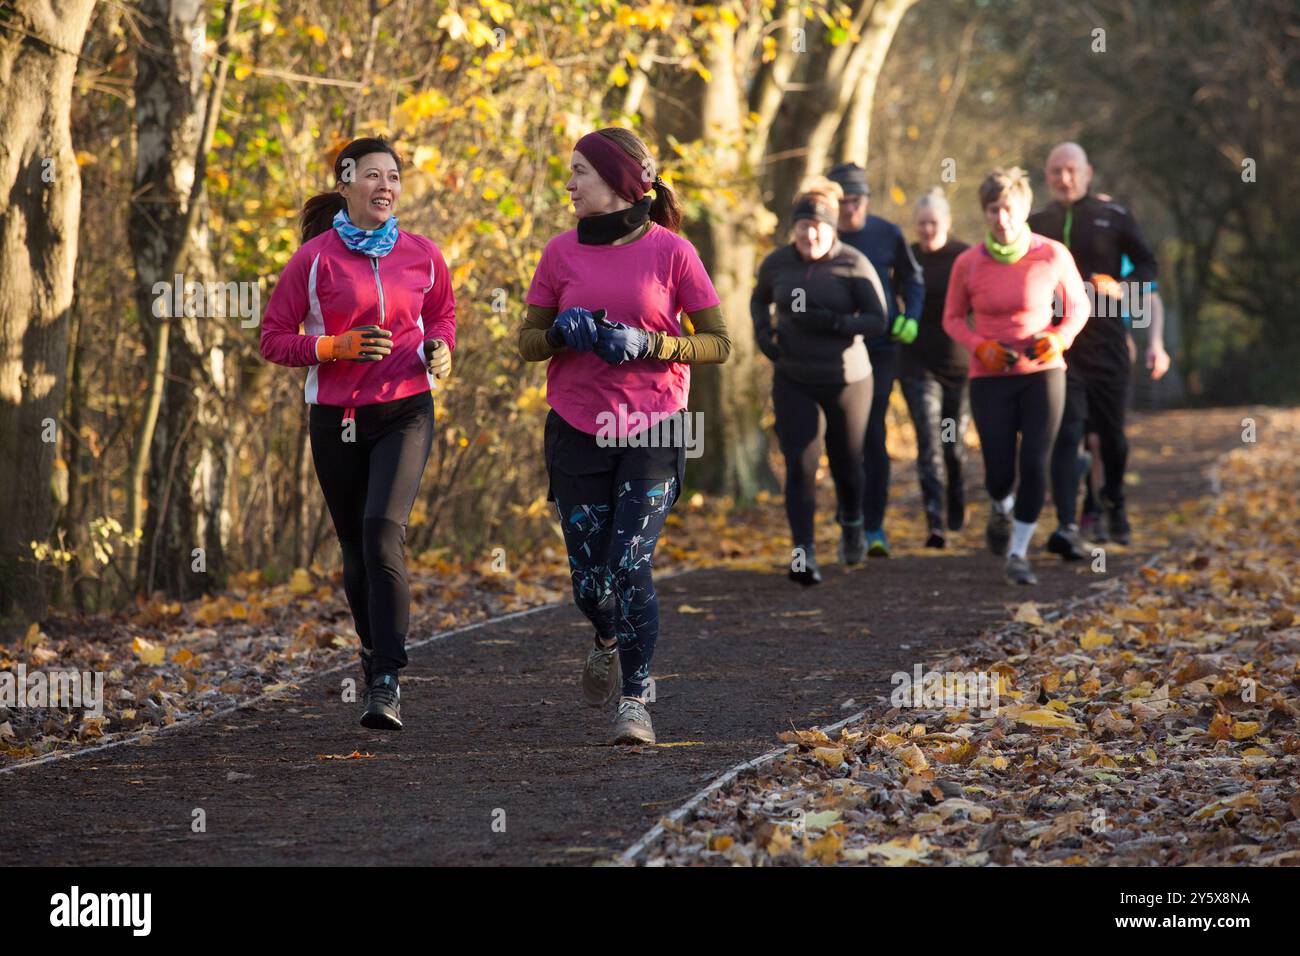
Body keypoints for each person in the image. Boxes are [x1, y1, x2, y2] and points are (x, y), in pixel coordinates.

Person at [517, 127, 729, 745]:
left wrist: (651, 343)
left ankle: (635, 699)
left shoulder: (673, 252)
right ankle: (606, 639)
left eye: (580, 171)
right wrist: (561, 333)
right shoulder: (559, 253)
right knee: (590, 582)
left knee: (628, 561)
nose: (569, 183)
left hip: (656, 424)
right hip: (578, 426)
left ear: (616, 182)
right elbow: (527, 344)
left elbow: (719, 343)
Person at [260, 137, 456, 730]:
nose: (385, 186)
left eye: (393, 176)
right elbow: (272, 338)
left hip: (406, 409)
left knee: (381, 532)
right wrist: (333, 347)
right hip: (337, 417)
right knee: (353, 548)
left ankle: (388, 678)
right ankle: (371, 654)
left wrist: (441, 349)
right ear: (345, 185)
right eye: (372, 175)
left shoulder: (423, 254)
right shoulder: (313, 259)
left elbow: (441, 314)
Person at [942, 167, 1089, 585]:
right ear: (984, 213)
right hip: (989, 377)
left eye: (1008, 208)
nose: (1001, 218)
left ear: (1023, 208)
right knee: (999, 468)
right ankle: (1000, 507)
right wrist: (979, 347)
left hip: (1043, 372)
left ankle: (1018, 553)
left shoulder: (1052, 254)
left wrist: (1059, 339)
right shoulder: (967, 263)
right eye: (993, 210)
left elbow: (1078, 308)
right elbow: (951, 318)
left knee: (1036, 460)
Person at [751, 178, 888, 585]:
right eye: (802, 226)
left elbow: (878, 319)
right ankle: (803, 554)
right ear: (792, 228)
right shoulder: (777, 263)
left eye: (819, 227)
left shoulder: (853, 264)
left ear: (832, 229)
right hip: (794, 376)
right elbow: (759, 299)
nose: (810, 234)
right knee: (800, 464)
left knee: (847, 462)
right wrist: (764, 335)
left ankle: (851, 520)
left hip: (847, 378)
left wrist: (834, 322)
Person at [1028, 142, 1163, 553]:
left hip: (1107, 342)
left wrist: (1123, 289)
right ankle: (1072, 520)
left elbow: (1148, 265)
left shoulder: (1113, 216)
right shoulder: (1035, 223)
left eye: (1071, 171)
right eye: (1055, 172)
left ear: (1088, 172)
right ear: (1047, 176)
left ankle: (1114, 503)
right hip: (1058, 345)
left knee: (1112, 438)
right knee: (1070, 432)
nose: (1064, 179)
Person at [826, 163, 925, 557]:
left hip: (881, 347)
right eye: (844, 201)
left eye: (857, 200)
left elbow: (912, 278)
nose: (850, 209)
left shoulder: (886, 233)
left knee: (871, 431)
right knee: (840, 434)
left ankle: (874, 526)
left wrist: (910, 317)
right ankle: (849, 516)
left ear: (866, 199)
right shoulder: (820, 234)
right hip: (833, 348)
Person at [901, 188, 970, 547]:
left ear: (947, 223)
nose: (927, 230)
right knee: (928, 442)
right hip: (916, 364)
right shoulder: (908, 259)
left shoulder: (964, 256)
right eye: (922, 224)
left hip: (958, 367)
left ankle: (957, 491)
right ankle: (935, 522)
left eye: (934, 223)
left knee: (951, 444)